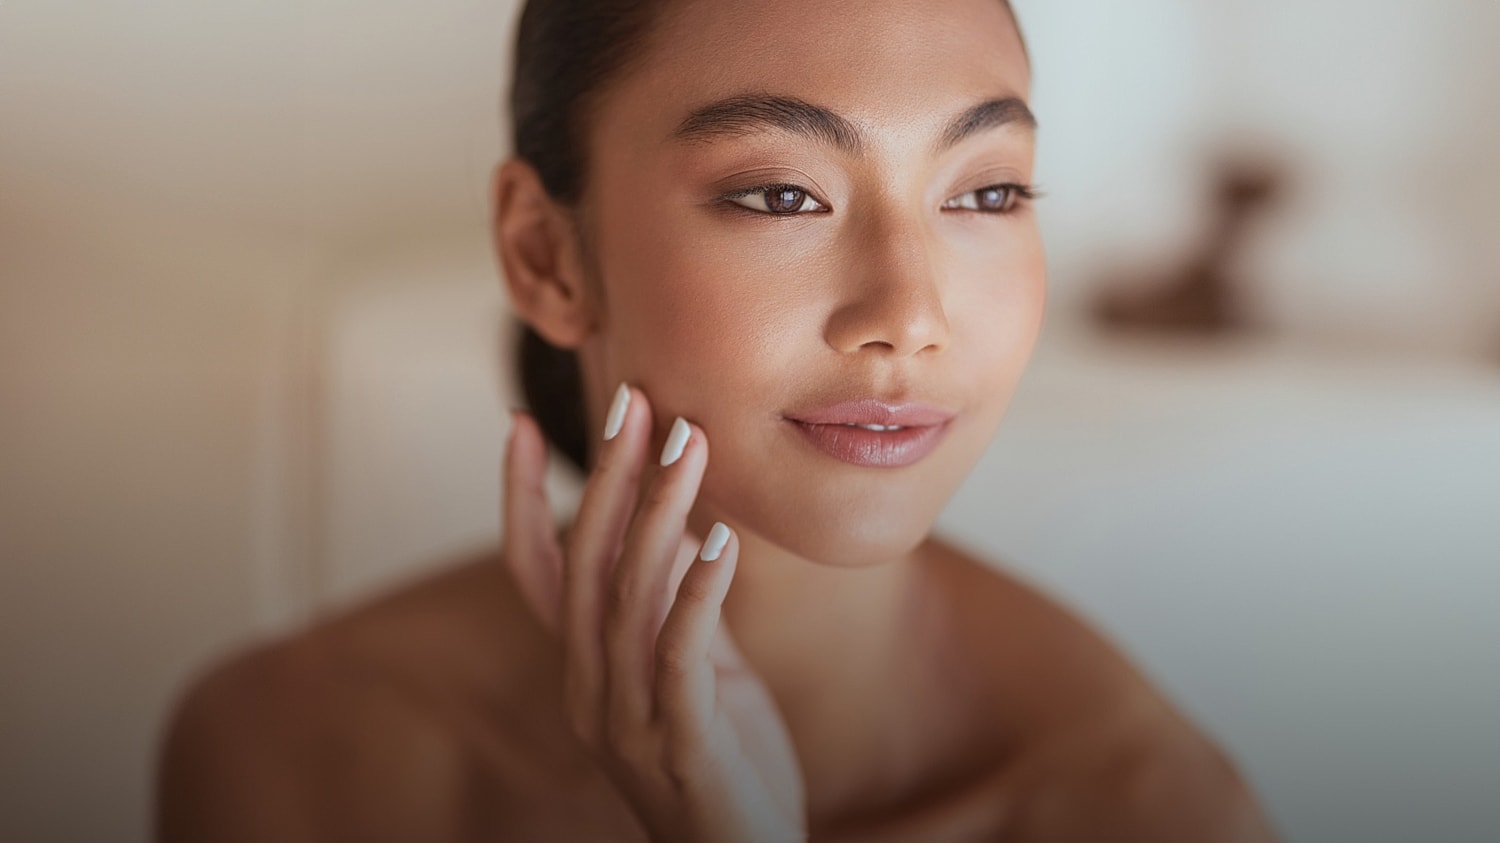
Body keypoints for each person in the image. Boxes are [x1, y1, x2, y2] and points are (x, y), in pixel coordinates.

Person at [156, 0, 1281, 840]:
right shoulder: (300, 761)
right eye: (782, 195)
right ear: (545, 255)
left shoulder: (1151, 809)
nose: (909, 315)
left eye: (986, 193)